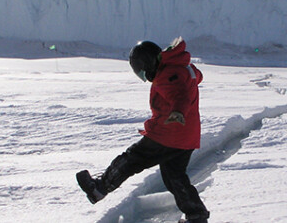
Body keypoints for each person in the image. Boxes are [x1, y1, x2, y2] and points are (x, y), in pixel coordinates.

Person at [76, 37, 210, 223]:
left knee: (131, 159)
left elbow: (180, 94)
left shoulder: (169, 74)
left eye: (143, 73)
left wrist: (178, 111)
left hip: (169, 133)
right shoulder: (181, 69)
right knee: (174, 177)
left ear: (148, 63)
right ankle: (196, 216)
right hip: (186, 136)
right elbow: (194, 78)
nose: (145, 78)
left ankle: (99, 188)